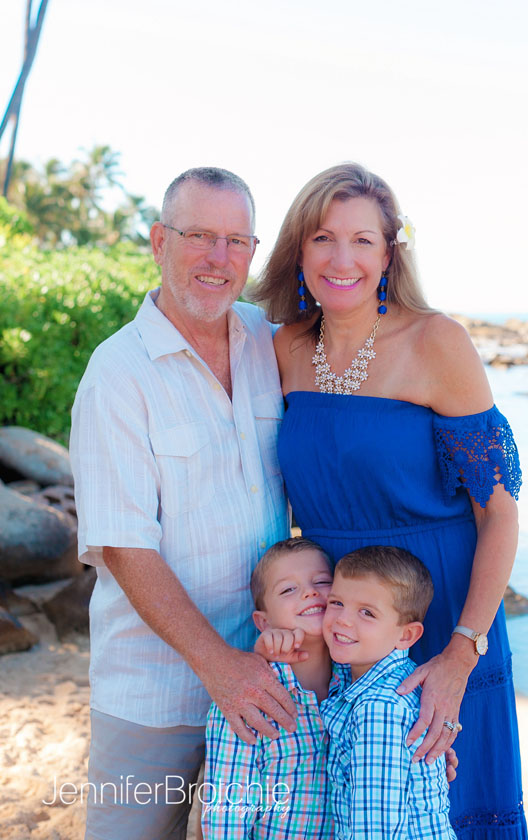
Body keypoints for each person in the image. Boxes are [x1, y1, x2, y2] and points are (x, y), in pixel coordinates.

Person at [250, 162, 527, 838]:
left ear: (388, 253)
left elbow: (500, 513)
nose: (341, 258)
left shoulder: (437, 342)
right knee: (342, 812)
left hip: (439, 616)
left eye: (362, 240)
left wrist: (463, 650)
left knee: (450, 810)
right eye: (322, 238)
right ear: (298, 250)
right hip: (335, 620)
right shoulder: (282, 347)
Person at [70, 167, 296, 840]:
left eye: (236, 240)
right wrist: (219, 666)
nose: (218, 259)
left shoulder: (268, 342)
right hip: (154, 695)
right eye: (200, 236)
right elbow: (123, 545)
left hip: (267, 679)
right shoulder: (118, 374)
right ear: (158, 241)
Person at [202, 536, 335, 839]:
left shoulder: (359, 686)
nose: (310, 592)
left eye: (323, 582)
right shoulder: (245, 699)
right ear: (263, 622)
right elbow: (227, 822)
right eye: (289, 589)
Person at [321, 545, 456, 840]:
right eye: (337, 602)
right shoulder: (368, 675)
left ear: (405, 635)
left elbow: (376, 830)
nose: (343, 620)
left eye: (367, 613)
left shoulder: (378, 708)